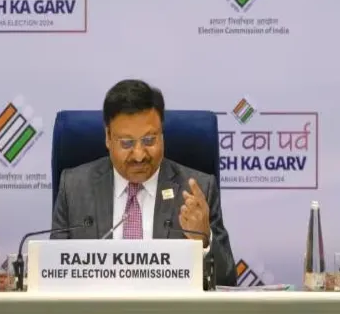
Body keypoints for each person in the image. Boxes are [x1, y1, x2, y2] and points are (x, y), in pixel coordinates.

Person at [51, 79, 236, 287]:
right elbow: (53, 277)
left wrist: (204, 240)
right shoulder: (74, 188)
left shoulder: (197, 191)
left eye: (149, 140)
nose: (139, 155)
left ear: (162, 135)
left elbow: (228, 282)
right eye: (127, 143)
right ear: (108, 137)